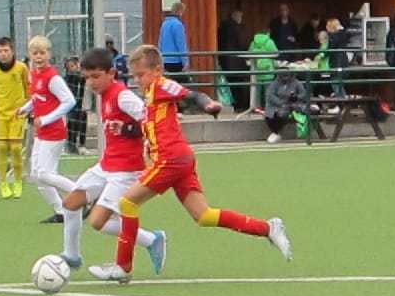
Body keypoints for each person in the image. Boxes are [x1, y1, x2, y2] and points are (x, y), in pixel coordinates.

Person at [88, 45, 291, 283]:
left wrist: (208, 104)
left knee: (127, 203)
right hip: (180, 160)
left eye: (141, 74)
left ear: (157, 70)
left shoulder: (162, 85)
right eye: (134, 76)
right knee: (204, 215)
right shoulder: (151, 94)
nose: (137, 80)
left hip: (170, 159)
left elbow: (192, 95)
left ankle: (123, 266)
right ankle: (267, 228)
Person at [59, 46, 168, 277]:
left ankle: (151, 239)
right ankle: (71, 256)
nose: (91, 82)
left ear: (111, 73)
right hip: (106, 165)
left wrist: (129, 129)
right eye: (87, 78)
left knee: (98, 222)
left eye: (96, 76)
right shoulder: (104, 95)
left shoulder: (122, 96)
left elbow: (151, 118)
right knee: (70, 203)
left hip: (126, 170)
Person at [17, 34, 76, 222]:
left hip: (55, 132)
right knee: (38, 175)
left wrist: (47, 119)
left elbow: (69, 101)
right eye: (35, 53)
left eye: (42, 53)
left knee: (45, 174)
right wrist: (26, 108)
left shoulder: (53, 77)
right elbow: (39, 98)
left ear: (49, 54)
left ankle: (83, 194)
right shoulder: (34, 74)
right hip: (41, 132)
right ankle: (60, 211)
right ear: (30, 54)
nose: (39, 57)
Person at [0, 36, 29, 196]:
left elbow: (27, 87)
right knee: (1, 147)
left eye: (6, 50)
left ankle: (18, 182)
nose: (3, 54)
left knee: (16, 148)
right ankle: (3, 183)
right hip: (1, 114)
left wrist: (27, 107)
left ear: (12, 51)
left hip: (17, 114)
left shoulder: (21, 68)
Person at [217, 8, 250, 111]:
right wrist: (247, 50)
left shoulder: (223, 28)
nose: (241, 18)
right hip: (236, 60)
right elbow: (241, 43)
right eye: (240, 16)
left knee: (231, 84)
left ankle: (233, 103)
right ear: (236, 17)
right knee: (238, 84)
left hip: (225, 60)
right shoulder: (237, 28)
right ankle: (240, 105)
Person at [263, 68, 308, 142]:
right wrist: (280, 103)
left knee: (283, 114)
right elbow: (271, 95)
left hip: (291, 105)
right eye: (283, 76)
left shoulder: (296, 83)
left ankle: (276, 133)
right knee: (269, 115)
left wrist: (296, 97)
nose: (285, 78)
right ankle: (275, 132)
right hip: (276, 105)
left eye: (287, 76)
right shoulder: (274, 84)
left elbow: (304, 94)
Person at [63, 54, 89, 154]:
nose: (75, 67)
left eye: (75, 64)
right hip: (71, 106)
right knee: (72, 124)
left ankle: (82, 145)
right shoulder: (68, 77)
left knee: (82, 121)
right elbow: (78, 77)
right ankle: (71, 145)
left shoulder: (81, 76)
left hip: (81, 105)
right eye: (72, 65)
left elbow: (83, 78)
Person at [157, 1, 190, 79]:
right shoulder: (178, 25)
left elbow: (160, 42)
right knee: (182, 82)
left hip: (165, 59)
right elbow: (181, 44)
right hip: (176, 60)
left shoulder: (164, 24)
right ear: (180, 12)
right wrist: (185, 61)